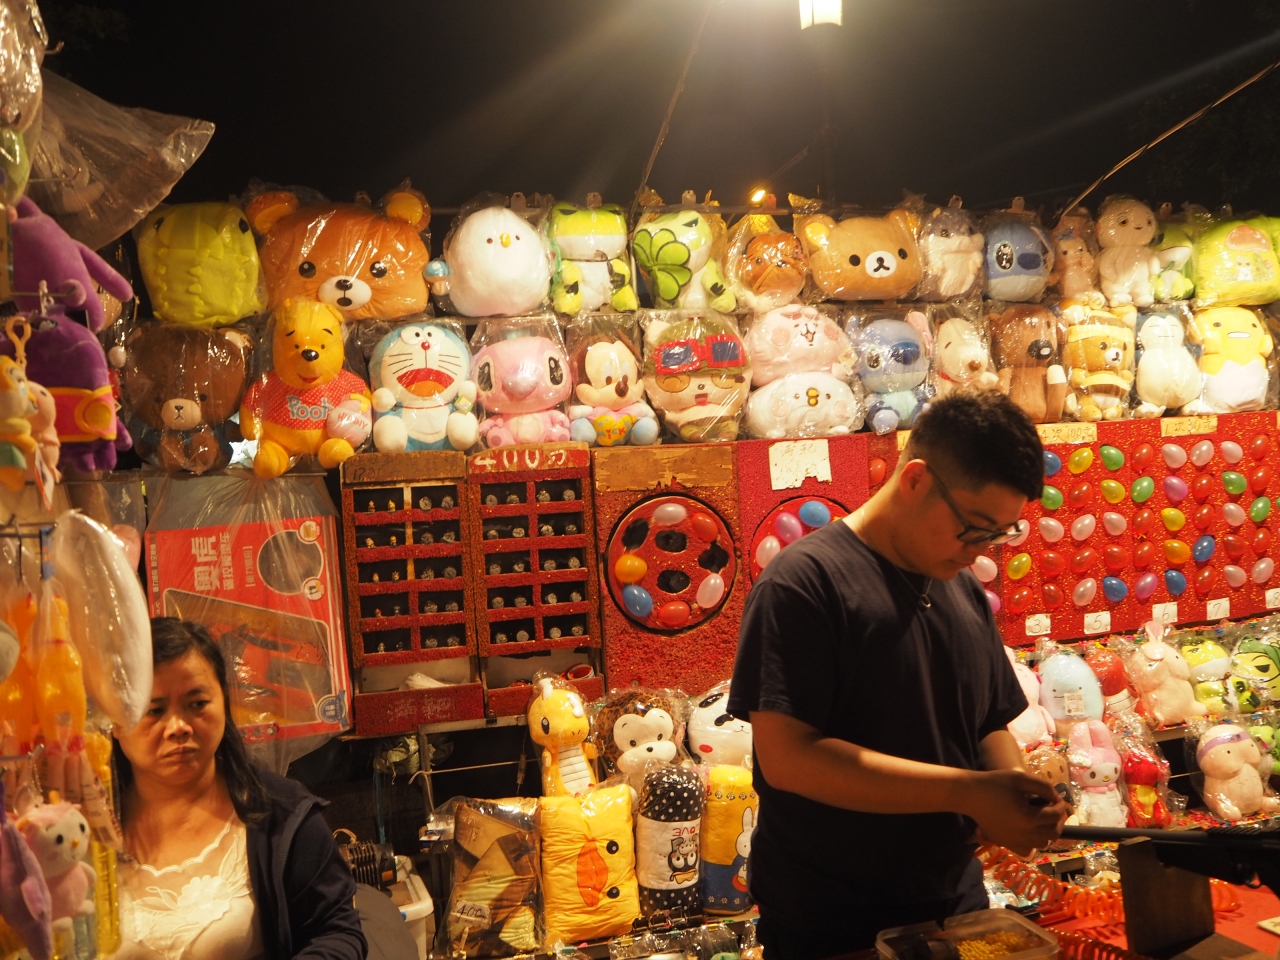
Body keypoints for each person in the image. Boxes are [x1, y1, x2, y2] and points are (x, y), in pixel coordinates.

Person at [728, 389, 1070, 960]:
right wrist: (969, 792)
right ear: (915, 480)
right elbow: (789, 758)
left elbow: (987, 722)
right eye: (974, 527)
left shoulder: (962, 589)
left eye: (1000, 534)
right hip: (833, 926)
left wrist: (1011, 795)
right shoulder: (803, 583)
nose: (980, 550)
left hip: (956, 909)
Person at [110, 617, 366, 960]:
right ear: (115, 720)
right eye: (154, 710)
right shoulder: (85, 827)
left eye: (197, 704)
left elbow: (337, 932)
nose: (178, 727)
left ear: (224, 701)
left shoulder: (284, 816)